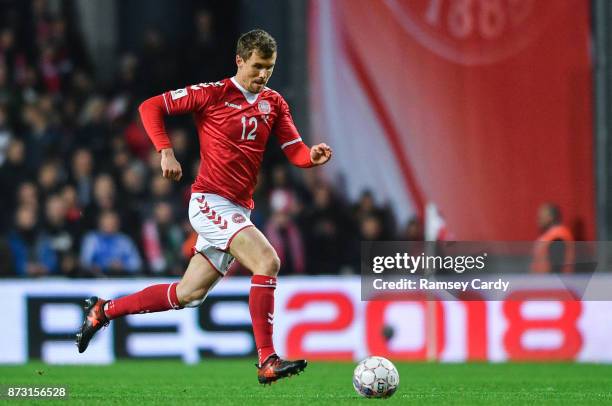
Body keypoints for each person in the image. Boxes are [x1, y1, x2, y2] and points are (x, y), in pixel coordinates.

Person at [76, 29, 332, 384]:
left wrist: (312, 158)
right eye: (257, 66)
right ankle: (266, 360)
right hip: (210, 201)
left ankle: (103, 311)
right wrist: (166, 150)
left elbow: (295, 150)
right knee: (268, 260)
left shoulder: (273, 102)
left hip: (238, 209)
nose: (263, 75)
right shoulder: (212, 94)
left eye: (269, 68)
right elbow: (150, 107)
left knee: (187, 294)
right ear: (239, 60)